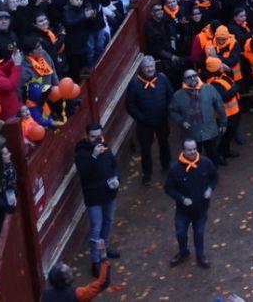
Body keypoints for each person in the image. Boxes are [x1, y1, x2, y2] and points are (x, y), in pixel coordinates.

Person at [73, 121, 121, 270]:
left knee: (108, 220)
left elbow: (114, 165)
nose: (97, 139)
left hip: (108, 191)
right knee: (96, 227)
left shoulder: (104, 145)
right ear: (87, 136)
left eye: (99, 136)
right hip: (93, 195)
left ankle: (104, 248)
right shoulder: (82, 152)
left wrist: (116, 178)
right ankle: (95, 260)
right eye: (93, 136)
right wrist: (93, 156)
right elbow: (84, 173)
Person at [163, 137, 216, 269]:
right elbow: (168, 188)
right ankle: (183, 252)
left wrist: (210, 188)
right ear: (183, 151)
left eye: (194, 149)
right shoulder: (175, 169)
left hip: (201, 208)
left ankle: (200, 256)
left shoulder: (206, 163)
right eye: (189, 150)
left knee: (199, 233)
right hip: (183, 210)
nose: (192, 152)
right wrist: (182, 198)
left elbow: (214, 178)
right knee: (180, 232)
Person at [123, 55, 172, 184]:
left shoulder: (162, 78)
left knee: (164, 143)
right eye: (147, 67)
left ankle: (166, 165)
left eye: (151, 67)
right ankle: (147, 173)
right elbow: (130, 104)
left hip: (161, 119)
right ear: (142, 68)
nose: (150, 69)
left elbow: (170, 96)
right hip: (145, 123)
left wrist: (166, 111)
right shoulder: (134, 83)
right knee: (145, 148)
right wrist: (141, 118)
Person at [169, 66, 227, 163]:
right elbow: (172, 111)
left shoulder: (209, 88)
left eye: (194, 75)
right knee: (195, 157)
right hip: (191, 133)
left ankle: (212, 173)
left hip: (209, 129)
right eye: (189, 77)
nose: (192, 78)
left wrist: (223, 122)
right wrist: (181, 121)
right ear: (184, 80)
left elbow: (219, 105)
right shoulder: (178, 96)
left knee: (213, 154)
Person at [39, 260, 111, 302]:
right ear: (66, 280)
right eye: (69, 272)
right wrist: (104, 260)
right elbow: (103, 282)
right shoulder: (78, 294)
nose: (71, 271)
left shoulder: (45, 295)